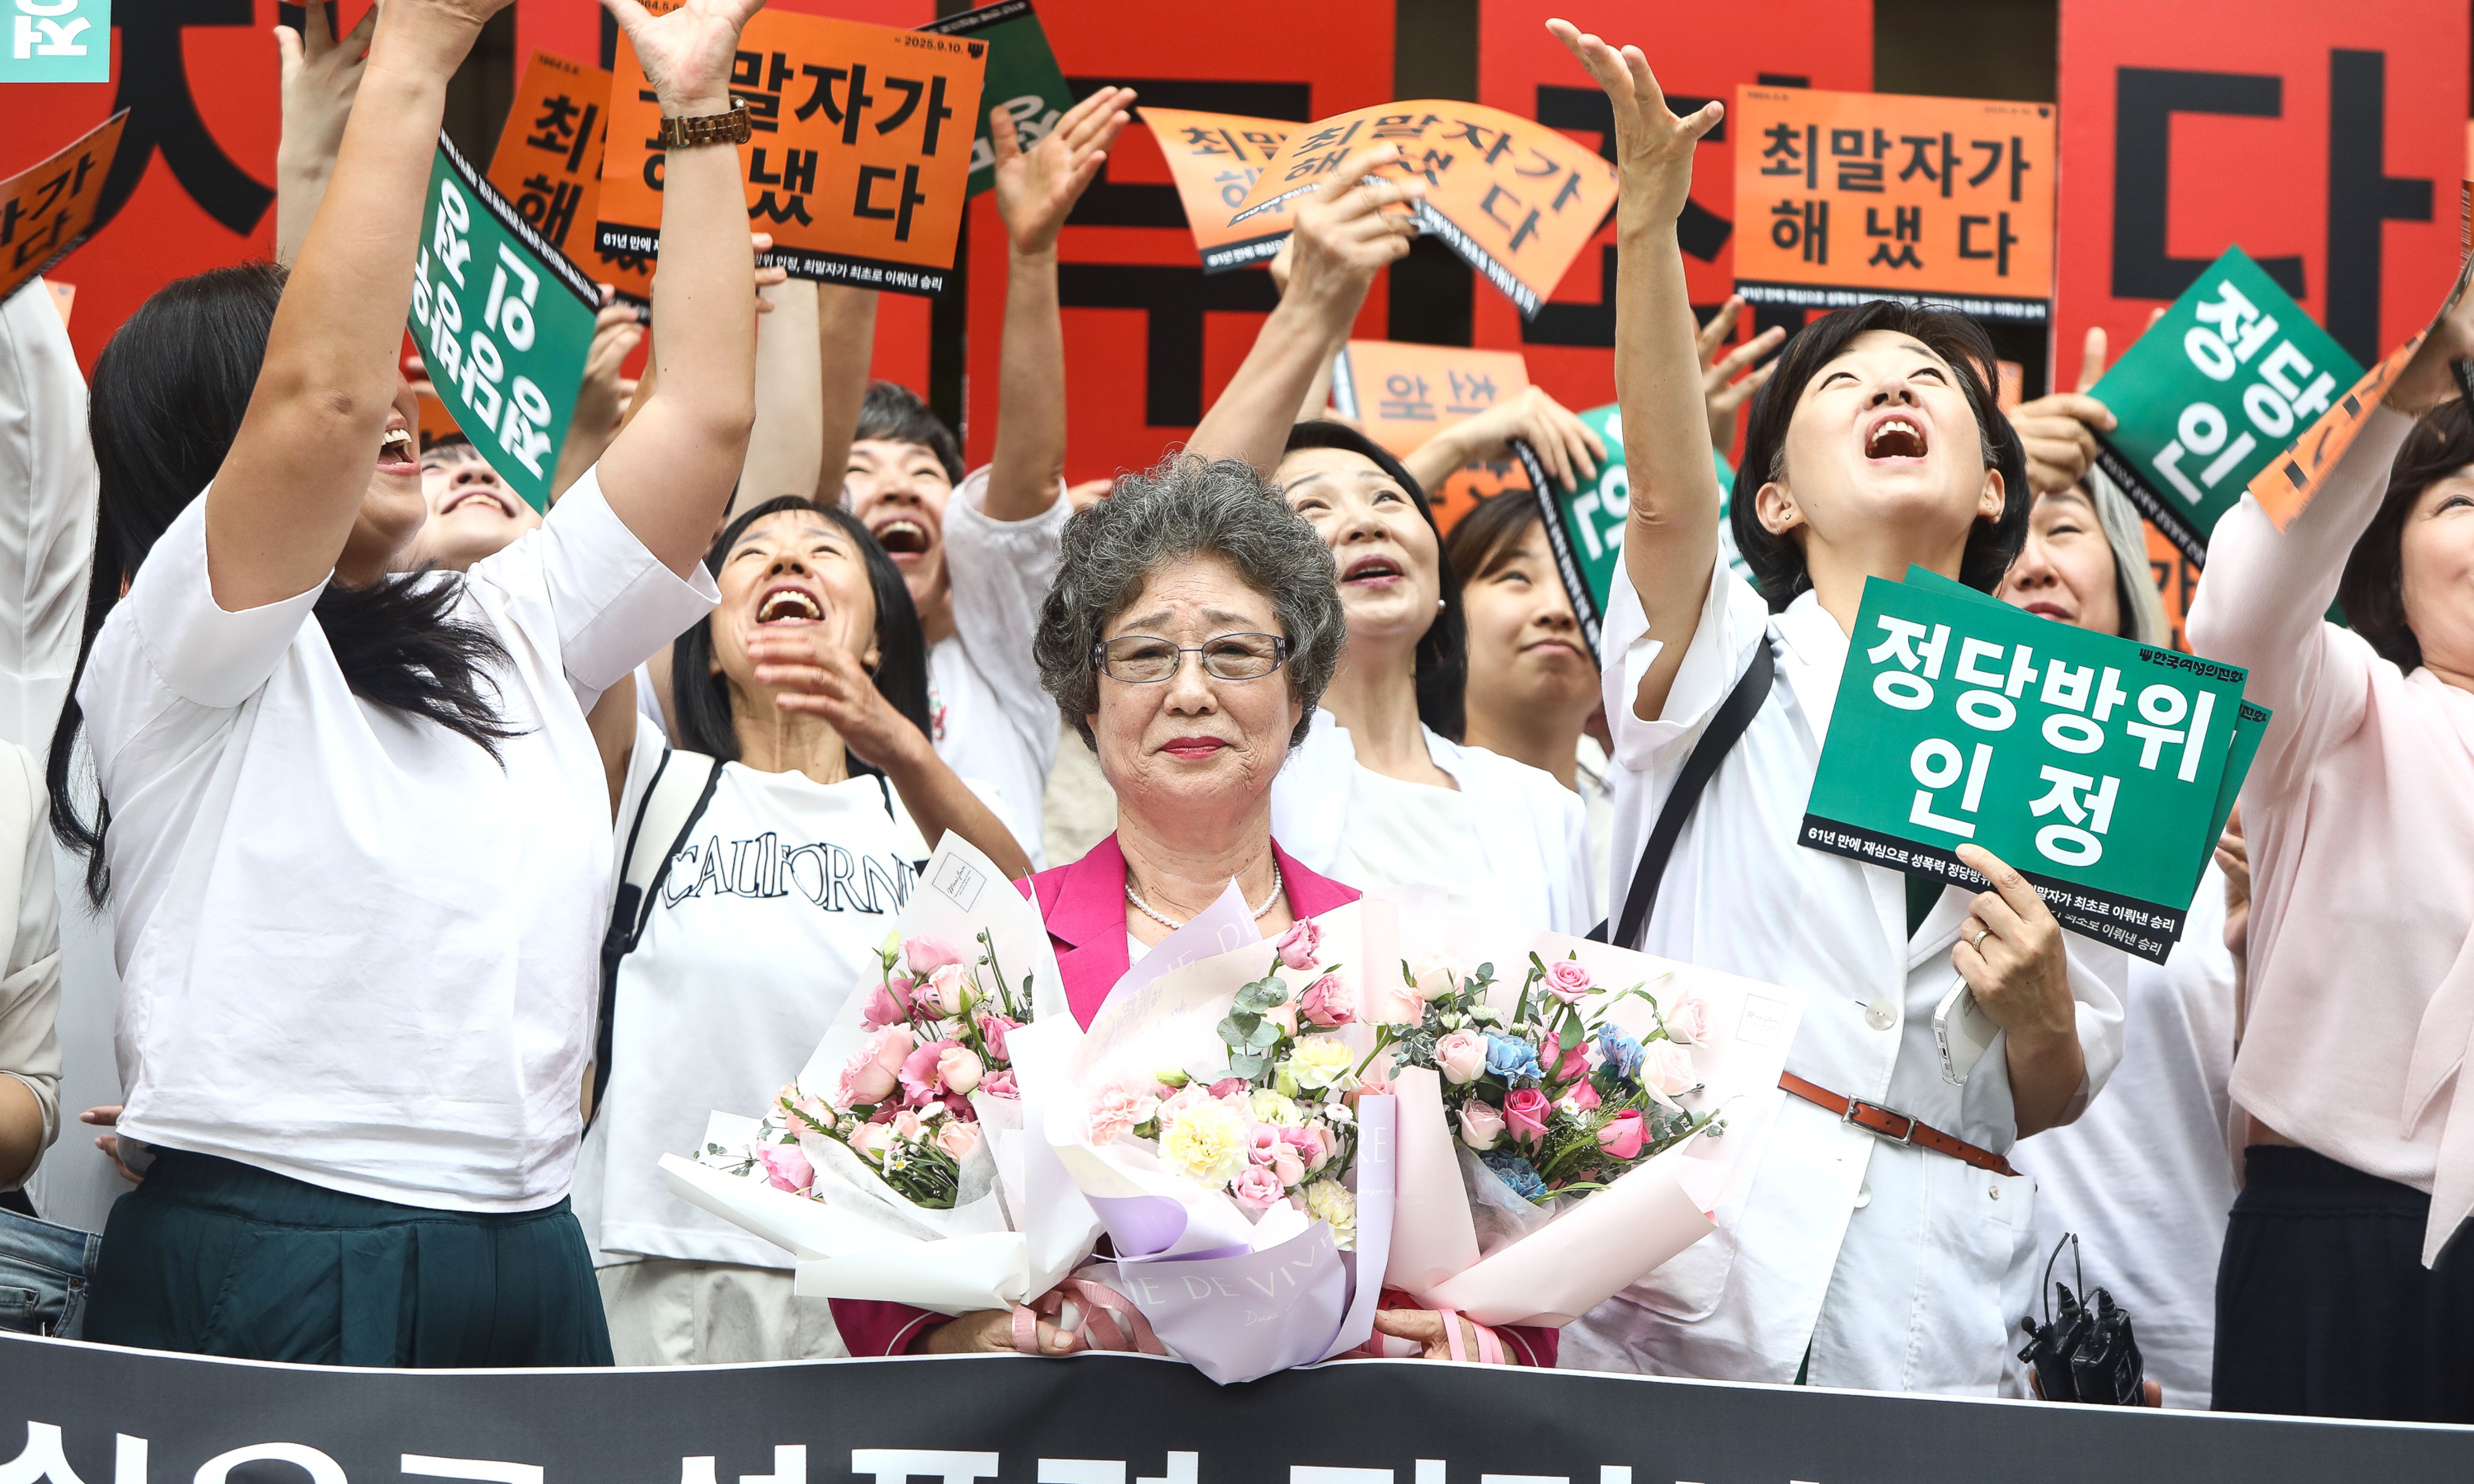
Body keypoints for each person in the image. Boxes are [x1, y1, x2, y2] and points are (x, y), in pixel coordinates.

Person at [47, 0, 764, 1366]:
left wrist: (699, 108)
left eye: (400, 377)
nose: (396, 399)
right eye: (352, 364)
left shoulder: (510, 616)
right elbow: (320, 398)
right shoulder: (183, 642)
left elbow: (703, 415)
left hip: (529, 1241)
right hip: (279, 1244)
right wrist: (420, 52)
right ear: (219, 449)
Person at [1546, 21, 2125, 1393]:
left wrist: (2043, 1007)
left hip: (1941, 1299)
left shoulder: (2076, 724)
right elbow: (1667, 493)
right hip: (1710, 1280)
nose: (1893, 388)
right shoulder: (1723, 658)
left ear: (1996, 488)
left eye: (1933, 383)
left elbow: (2052, 1090)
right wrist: (1648, 227)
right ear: (1775, 500)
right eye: (1844, 384)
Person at [828, 456, 1557, 1366]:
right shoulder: (984, 955)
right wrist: (954, 1338)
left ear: (1300, 691)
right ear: (1087, 701)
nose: (1189, 692)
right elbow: (864, 1244)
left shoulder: (1403, 967)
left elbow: (1518, 1251)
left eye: (1235, 652)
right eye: (1143, 656)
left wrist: (1485, 1344)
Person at [578, 496, 1027, 1365]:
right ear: (707, 648)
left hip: (875, 1281)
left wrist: (898, 743)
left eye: (824, 549)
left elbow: (1026, 929)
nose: (788, 561)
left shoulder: (929, 812)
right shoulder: (650, 785)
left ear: (877, 643)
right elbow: (596, 601)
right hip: (660, 1254)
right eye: (752, 554)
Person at [2184, 289, 2474, 1423]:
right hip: (2343, 1253)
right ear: (2387, 563)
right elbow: (2239, 616)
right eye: (2462, 501)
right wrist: (2409, 387)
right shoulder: (2341, 706)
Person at [1187, 153, 1591, 937]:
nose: (1364, 523)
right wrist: (1310, 311)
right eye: (1314, 508)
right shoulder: (1229, 767)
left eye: (1387, 500)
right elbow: (1185, 527)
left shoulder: (1540, 809)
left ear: (1441, 583)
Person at [809, 90, 1135, 868]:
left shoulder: (1000, 653)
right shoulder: (764, 647)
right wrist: (861, 226)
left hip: (995, 954)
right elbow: (802, 499)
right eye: (862, 470)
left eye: (923, 471)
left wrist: (1031, 254)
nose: (896, 488)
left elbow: (1026, 484)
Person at [1993, 453, 2242, 1409]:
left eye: (2063, 528)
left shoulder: (2231, 822)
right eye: (2000, 540)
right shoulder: (1904, 819)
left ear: (2127, 572)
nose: (2032, 563)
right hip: (1975, 1351)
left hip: (2201, 1345)